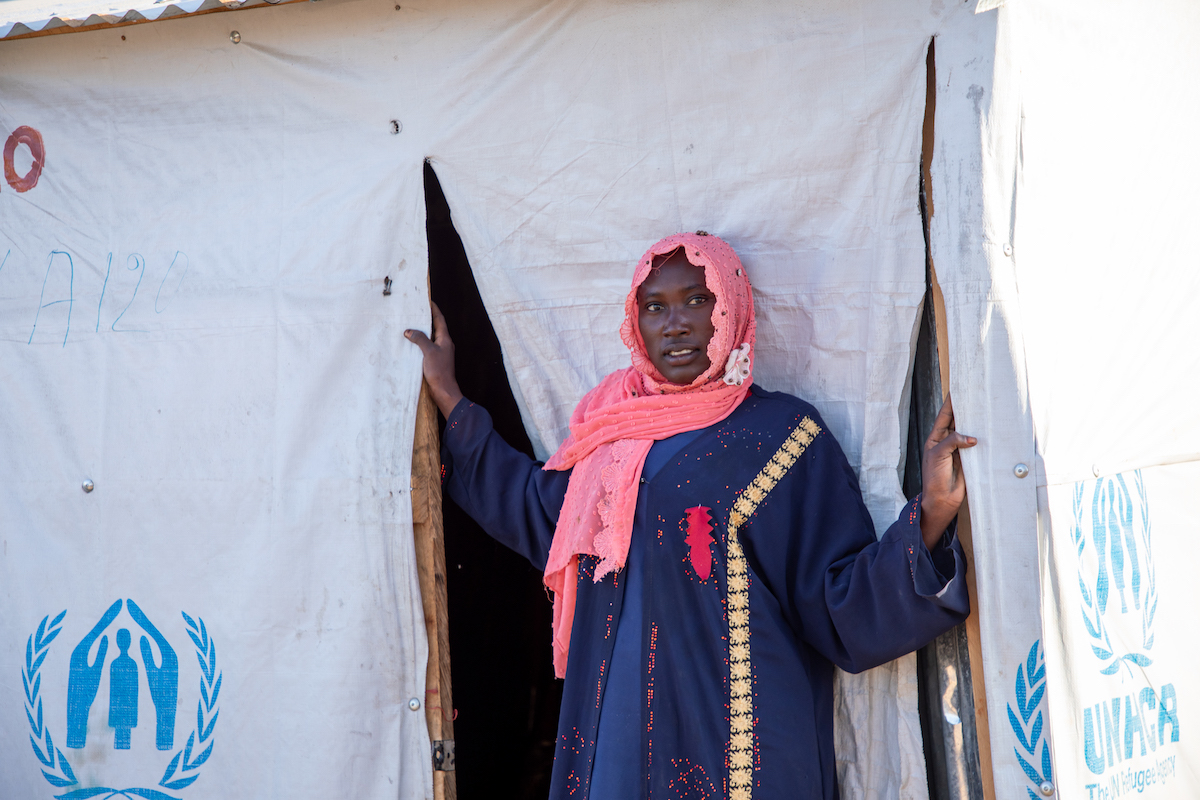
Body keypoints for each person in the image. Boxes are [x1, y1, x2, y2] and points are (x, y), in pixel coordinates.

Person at [406, 232, 975, 800]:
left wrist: (931, 512)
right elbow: (533, 510)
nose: (674, 323)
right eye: (654, 306)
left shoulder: (781, 437)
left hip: (739, 749)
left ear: (731, 309)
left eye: (697, 301)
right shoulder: (610, 441)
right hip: (618, 743)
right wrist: (450, 396)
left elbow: (836, 601)